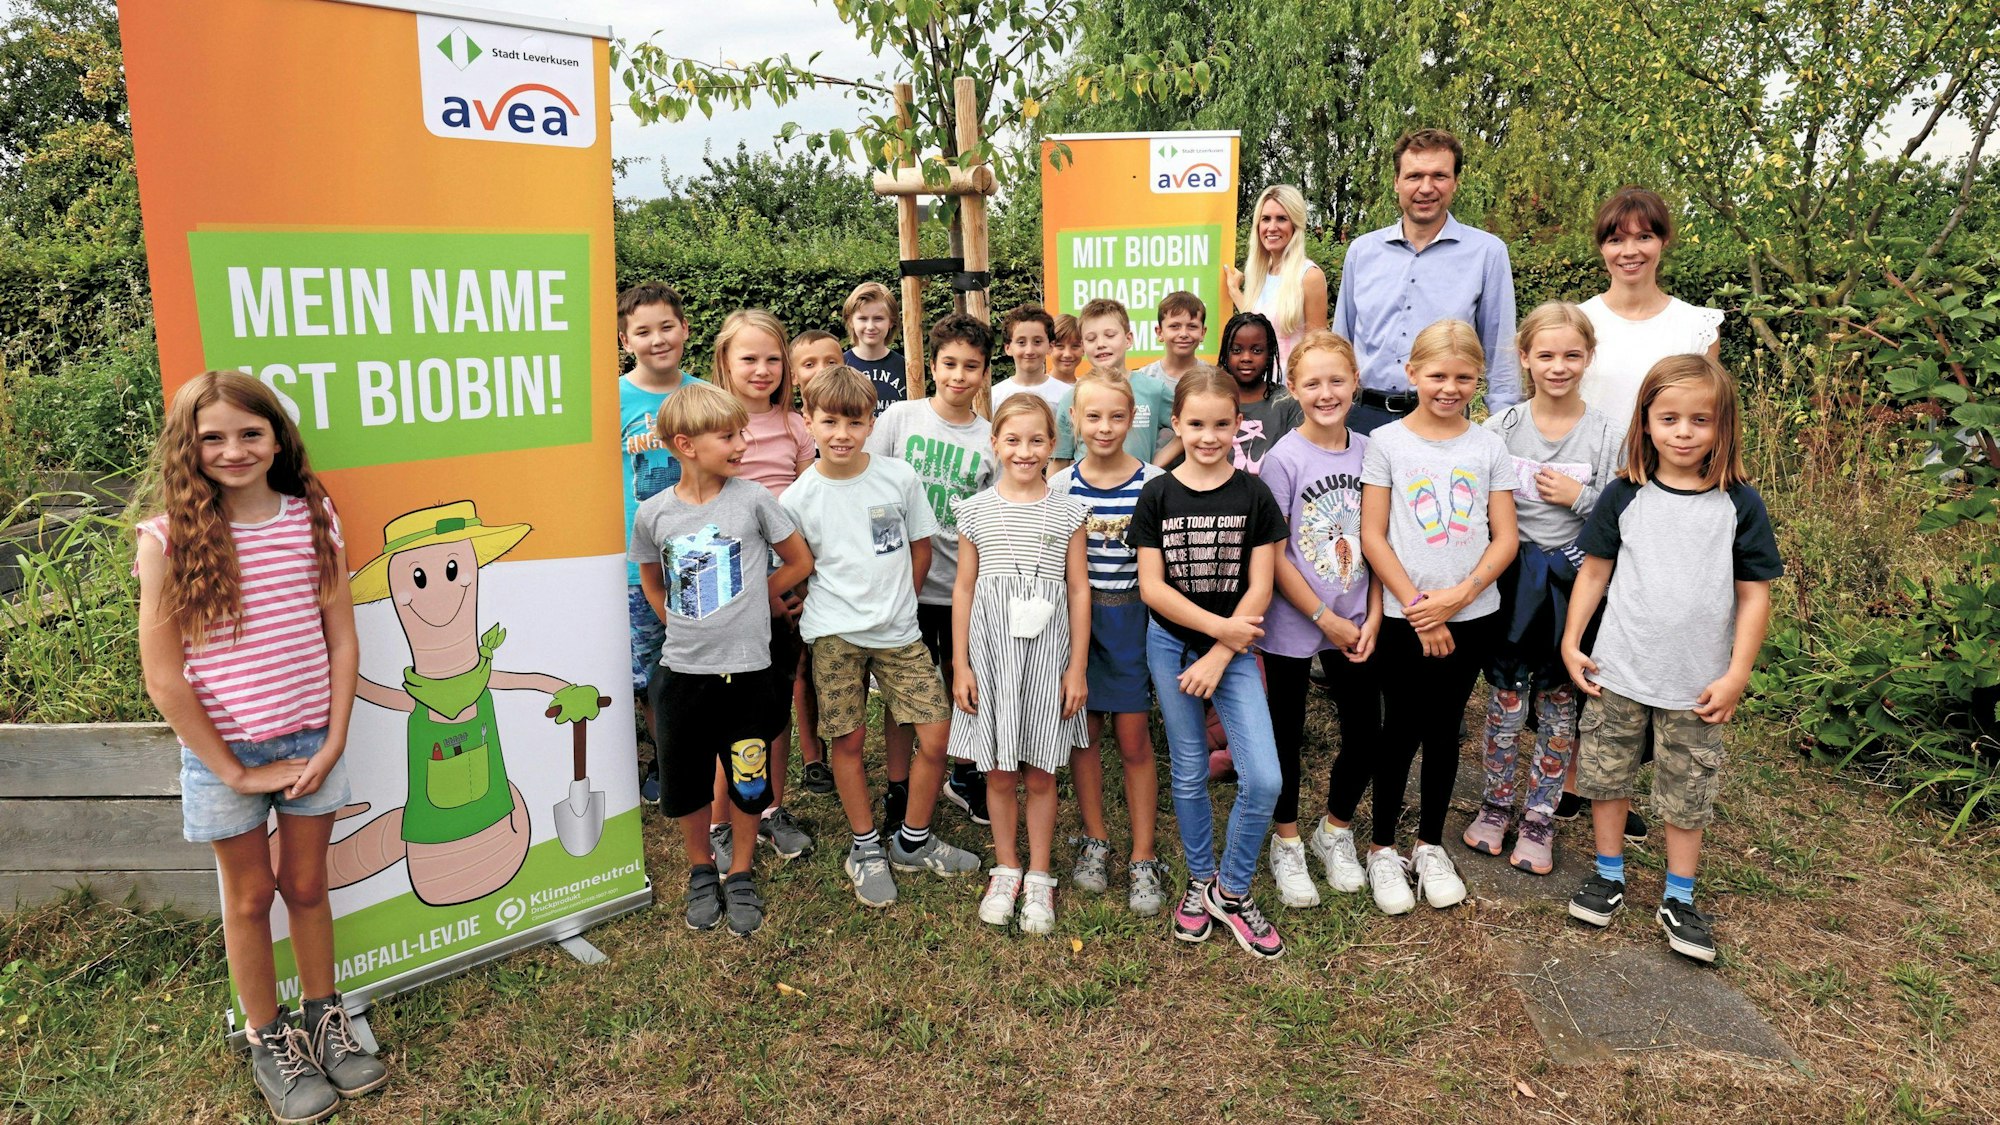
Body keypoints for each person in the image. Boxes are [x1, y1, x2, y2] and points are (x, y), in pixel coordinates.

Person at [135, 371, 385, 1122]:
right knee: (249, 896)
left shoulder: (314, 514)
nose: (234, 449)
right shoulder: (166, 539)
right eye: (212, 436)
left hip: (312, 739)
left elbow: (341, 638)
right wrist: (233, 769)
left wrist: (335, 736)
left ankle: (324, 1016)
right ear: (189, 445)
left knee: (307, 886)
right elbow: (164, 676)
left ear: (278, 436)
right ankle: (267, 1036)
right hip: (224, 755)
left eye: (251, 432)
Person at [1562, 354, 1781, 963]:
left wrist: (1737, 673)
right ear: (1647, 422)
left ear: (1723, 427)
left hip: (1697, 684)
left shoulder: (1739, 505)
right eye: (1670, 418)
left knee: (1687, 792)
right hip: (1620, 671)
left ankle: (1679, 897)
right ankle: (1608, 875)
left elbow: (1753, 593)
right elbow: (1595, 571)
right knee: (1607, 776)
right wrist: (1571, 640)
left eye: (1700, 420)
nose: (1684, 432)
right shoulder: (1623, 494)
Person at [783, 365, 983, 908]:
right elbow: (797, 565)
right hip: (833, 635)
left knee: (937, 735)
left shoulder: (899, 478)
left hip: (900, 632)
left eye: (855, 420)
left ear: (874, 422)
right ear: (809, 422)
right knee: (847, 743)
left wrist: (900, 598)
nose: (842, 433)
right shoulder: (797, 499)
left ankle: (913, 840)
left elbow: (921, 547)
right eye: (829, 421)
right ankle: (866, 847)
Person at [631, 380, 814, 937]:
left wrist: (755, 598)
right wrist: (671, 618)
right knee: (686, 779)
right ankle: (700, 868)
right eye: (727, 436)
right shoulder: (653, 512)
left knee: (748, 774)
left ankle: (739, 870)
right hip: (684, 672)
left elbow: (798, 560)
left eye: (742, 432)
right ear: (684, 444)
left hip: (751, 671)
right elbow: (649, 574)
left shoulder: (755, 498)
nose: (741, 443)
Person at [1358, 320, 1520, 914]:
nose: (1449, 387)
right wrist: (1422, 610)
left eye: (1462, 377)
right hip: (1406, 619)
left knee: (1445, 728)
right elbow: (1373, 535)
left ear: (1478, 379)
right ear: (1411, 374)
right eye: (1437, 375)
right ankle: (1381, 849)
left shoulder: (1488, 445)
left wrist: (1462, 595)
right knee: (1398, 727)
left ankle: (1428, 845)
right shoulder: (1388, 444)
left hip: (1473, 615)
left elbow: (1505, 537)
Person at [1130, 368, 1290, 960]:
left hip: (1235, 651)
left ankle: (1233, 888)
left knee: (1264, 778)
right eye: (1195, 424)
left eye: (1221, 424)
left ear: (1237, 426)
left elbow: (1261, 586)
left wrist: (1223, 650)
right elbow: (1152, 586)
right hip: (1171, 645)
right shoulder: (1158, 493)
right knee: (1191, 769)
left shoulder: (1254, 495)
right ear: (1177, 424)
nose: (1207, 435)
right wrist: (1216, 631)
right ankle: (1201, 879)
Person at [1463, 303, 1625, 876]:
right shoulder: (1500, 428)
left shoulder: (1609, 433)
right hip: (1512, 583)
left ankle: (1540, 816)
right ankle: (1495, 804)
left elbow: (1621, 508)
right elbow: (1476, 500)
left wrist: (1577, 499)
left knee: (1560, 707)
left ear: (1588, 359)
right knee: (1506, 703)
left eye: (1572, 356)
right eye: (1547, 355)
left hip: (1573, 586)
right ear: (1526, 358)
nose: (1559, 367)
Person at [951, 395, 1091, 934]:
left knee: (1040, 770)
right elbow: (964, 589)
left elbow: (1079, 590)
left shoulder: (1070, 509)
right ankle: (1006, 866)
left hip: (1048, 656)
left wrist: (1076, 667)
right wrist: (961, 664)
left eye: (1036, 441)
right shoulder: (975, 511)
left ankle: (1038, 875)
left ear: (1052, 445)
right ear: (995, 444)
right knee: (1000, 769)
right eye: (1013, 440)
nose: (1025, 451)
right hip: (992, 656)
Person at [1256, 332, 1383, 908]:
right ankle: (1285, 840)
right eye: (1313, 383)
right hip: (1295, 618)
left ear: (1356, 383)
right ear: (1293, 388)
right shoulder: (1283, 459)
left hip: (1357, 618)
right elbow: (1275, 551)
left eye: (1337, 381)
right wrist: (1318, 615)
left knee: (1365, 731)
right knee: (1286, 734)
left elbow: (1382, 541)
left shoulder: (1374, 453)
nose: (1326, 393)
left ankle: (1335, 830)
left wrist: (1374, 613)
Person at [868, 313, 997, 831]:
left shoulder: (991, 439)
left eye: (971, 366)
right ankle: (899, 786)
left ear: (986, 372)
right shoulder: (900, 419)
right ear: (934, 367)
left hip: (963, 589)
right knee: (903, 691)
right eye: (950, 364)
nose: (959, 376)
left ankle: (962, 775)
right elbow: (870, 490)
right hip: (904, 587)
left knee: (961, 680)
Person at [1048, 370, 1169, 914]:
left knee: (1135, 739)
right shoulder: (1059, 487)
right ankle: (1095, 839)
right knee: (1083, 735)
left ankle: (1144, 856)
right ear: (1072, 419)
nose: (1104, 427)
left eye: (1116, 416)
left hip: (1131, 623)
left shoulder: (1153, 484)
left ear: (1133, 419)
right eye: (1092, 416)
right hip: (1074, 626)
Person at [710, 310, 819, 863]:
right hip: (728, 588)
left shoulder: (797, 426)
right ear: (725, 362)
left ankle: (771, 806)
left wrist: (788, 585)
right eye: (748, 358)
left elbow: (803, 506)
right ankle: (720, 820)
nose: (762, 369)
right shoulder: (713, 423)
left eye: (773, 358)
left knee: (775, 698)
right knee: (725, 705)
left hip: (786, 584)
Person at [1333, 129, 1520, 433]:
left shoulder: (1487, 253)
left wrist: (1506, 426)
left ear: (1455, 183)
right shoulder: (1362, 252)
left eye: (1439, 176)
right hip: (1363, 421)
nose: (1426, 187)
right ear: (1397, 182)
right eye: (1414, 176)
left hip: (1444, 418)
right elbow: (1341, 342)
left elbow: (1500, 348)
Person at [616, 283, 702, 802]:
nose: (657, 340)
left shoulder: (703, 395)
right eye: (643, 332)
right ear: (625, 340)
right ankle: (666, 756)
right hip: (638, 561)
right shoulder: (611, 400)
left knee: (697, 658)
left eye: (666, 327)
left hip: (697, 555)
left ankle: (699, 747)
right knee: (650, 669)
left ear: (685, 329)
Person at [1578, 187, 1725, 427]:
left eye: (1644, 237)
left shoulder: (1698, 326)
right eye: (1616, 240)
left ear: (1663, 241)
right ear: (1602, 247)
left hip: (1665, 465)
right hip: (1586, 462)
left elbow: (1705, 416)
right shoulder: (1577, 322)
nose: (1629, 251)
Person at [786, 328, 846, 796]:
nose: (821, 372)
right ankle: (812, 755)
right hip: (786, 558)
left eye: (831, 362)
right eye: (809, 365)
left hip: (828, 555)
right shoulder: (796, 424)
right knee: (801, 663)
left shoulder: (840, 424)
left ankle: (842, 742)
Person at [1051, 299, 1176, 471]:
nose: (1101, 344)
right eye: (1091, 338)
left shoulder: (1154, 390)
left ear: (1128, 339)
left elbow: (1190, 425)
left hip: (1140, 494)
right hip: (1086, 495)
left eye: (1110, 335)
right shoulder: (1072, 397)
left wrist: (1155, 464)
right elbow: (1059, 461)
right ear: (1083, 346)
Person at [1224, 185, 1328, 384]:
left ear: (1295, 225)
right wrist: (1235, 291)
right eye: (1266, 219)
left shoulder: (1309, 276)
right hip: (1255, 389)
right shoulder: (1260, 273)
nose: (1272, 227)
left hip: (1290, 394)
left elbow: (1317, 348)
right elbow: (1261, 320)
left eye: (1281, 218)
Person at [1216, 311, 1305, 473]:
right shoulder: (1213, 399)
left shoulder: (1286, 401)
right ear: (1225, 354)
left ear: (1270, 354)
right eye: (1236, 350)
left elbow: (1298, 458)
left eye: (1257, 351)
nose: (1246, 358)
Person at [842, 281, 906, 417]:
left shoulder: (906, 367)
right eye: (863, 319)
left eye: (878, 318)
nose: (870, 326)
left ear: (891, 322)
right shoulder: (840, 365)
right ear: (850, 321)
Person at [989, 303, 1066, 413]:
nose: (1029, 351)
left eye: (1037, 342)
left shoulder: (1066, 396)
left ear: (1050, 346)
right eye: (1021, 342)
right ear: (1008, 348)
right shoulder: (995, 397)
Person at [1134, 290, 1208, 391]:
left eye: (1192, 326)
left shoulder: (1213, 378)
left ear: (1203, 333)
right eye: (1174, 326)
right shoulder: (1142, 379)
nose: (1183, 334)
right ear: (1159, 332)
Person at [790, 329, 848, 399]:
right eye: (809, 365)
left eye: (831, 363)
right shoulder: (783, 410)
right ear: (793, 377)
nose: (822, 370)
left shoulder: (862, 409)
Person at [1049, 313, 1084, 385]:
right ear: (1048, 347)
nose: (1067, 354)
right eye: (1059, 346)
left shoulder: (1087, 389)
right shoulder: (1036, 389)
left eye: (1075, 346)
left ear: (1084, 349)